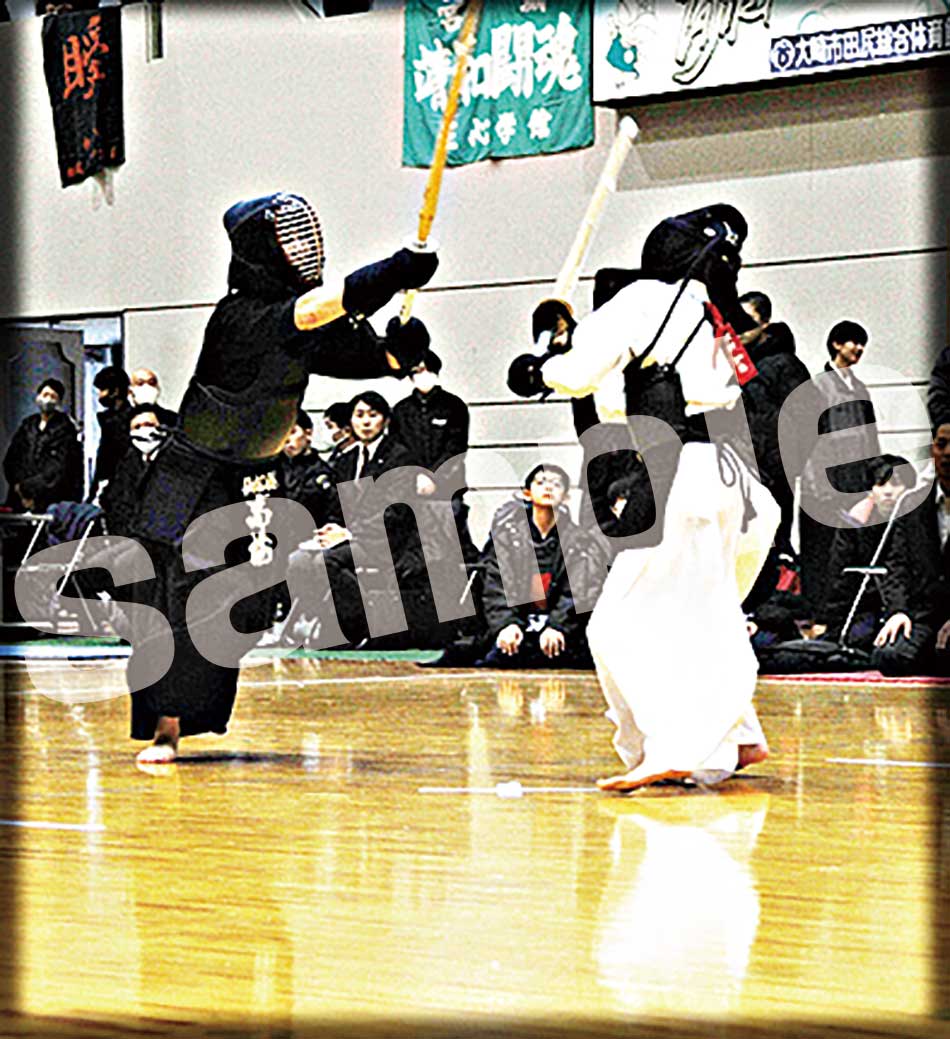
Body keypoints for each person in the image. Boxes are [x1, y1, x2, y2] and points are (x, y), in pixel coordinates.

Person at [121, 191, 437, 764]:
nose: (304, 248)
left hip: (254, 478)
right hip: (194, 480)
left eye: (306, 236)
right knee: (182, 604)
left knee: (241, 607)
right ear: (261, 252)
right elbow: (317, 311)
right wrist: (395, 271)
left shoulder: (301, 325)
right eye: (290, 239)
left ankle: (195, 715)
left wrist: (398, 355)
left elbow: (358, 355)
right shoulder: (239, 316)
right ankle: (165, 726)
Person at [516, 203, 780, 790]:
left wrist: (540, 366)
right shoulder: (709, 312)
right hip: (735, 482)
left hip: (678, 474)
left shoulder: (644, 300)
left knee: (615, 626)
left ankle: (670, 745)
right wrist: (566, 340)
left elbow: (582, 375)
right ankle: (741, 734)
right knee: (699, 615)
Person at [477, 463, 607, 669]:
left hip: (562, 633)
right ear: (527, 494)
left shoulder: (581, 542)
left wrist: (558, 626)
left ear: (566, 497)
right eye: (541, 482)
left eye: (556, 484)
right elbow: (496, 587)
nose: (548, 487)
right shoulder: (506, 538)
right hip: (517, 629)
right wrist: (506, 624)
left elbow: (580, 592)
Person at [799, 319, 880, 610]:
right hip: (824, 487)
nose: (859, 349)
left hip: (856, 485)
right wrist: (818, 487)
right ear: (836, 344)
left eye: (862, 344)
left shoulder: (860, 389)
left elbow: (871, 439)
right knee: (822, 554)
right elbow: (806, 442)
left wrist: (875, 483)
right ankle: (817, 614)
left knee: (853, 553)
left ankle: (845, 613)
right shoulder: (817, 387)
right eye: (853, 342)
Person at [390, 349, 477, 563]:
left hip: (447, 489)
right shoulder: (401, 410)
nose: (421, 375)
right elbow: (398, 449)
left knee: (451, 543)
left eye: (425, 369)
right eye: (416, 371)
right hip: (411, 489)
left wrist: (434, 477)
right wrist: (414, 476)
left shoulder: (454, 406)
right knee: (414, 546)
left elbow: (456, 448)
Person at [3, 377, 83, 512]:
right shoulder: (28, 425)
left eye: (53, 396)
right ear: (37, 396)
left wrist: (30, 487)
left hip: (51, 499)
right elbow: (12, 459)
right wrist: (19, 488)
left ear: (58, 402)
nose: (47, 400)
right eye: (45, 394)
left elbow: (59, 468)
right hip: (19, 498)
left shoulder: (65, 429)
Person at [90, 365, 132, 496]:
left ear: (115, 391)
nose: (100, 395)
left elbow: (107, 458)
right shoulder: (109, 420)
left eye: (103, 389)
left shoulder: (124, 421)